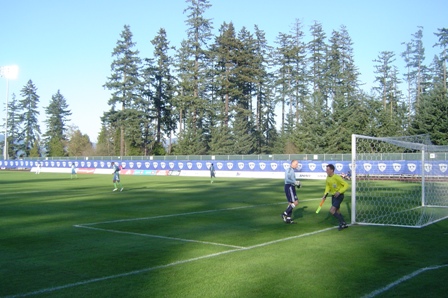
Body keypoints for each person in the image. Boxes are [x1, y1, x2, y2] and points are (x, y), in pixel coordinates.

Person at [321, 163, 349, 231]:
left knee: (332, 210)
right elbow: (327, 186)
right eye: (326, 169)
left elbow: (346, 185)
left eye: (327, 170)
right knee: (337, 210)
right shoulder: (328, 178)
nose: (326, 171)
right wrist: (325, 194)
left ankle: (342, 223)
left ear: (332, 170)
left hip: (339, 195)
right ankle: (344, 223)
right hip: (333, 196)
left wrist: (339, 192)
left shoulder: (337, 177)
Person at [282, 160, 300, 224]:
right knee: (296, 202)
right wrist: (294, 182)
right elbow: (287, 179)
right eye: (296, 164)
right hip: (289, 187)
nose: (297, 165)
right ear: (292, 164)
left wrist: (297, 184)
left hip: (290, 187)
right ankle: (285, 213)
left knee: (290, 203)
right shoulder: (289, 170)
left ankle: (288, 219)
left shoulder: (291, 170)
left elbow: (292, 180)